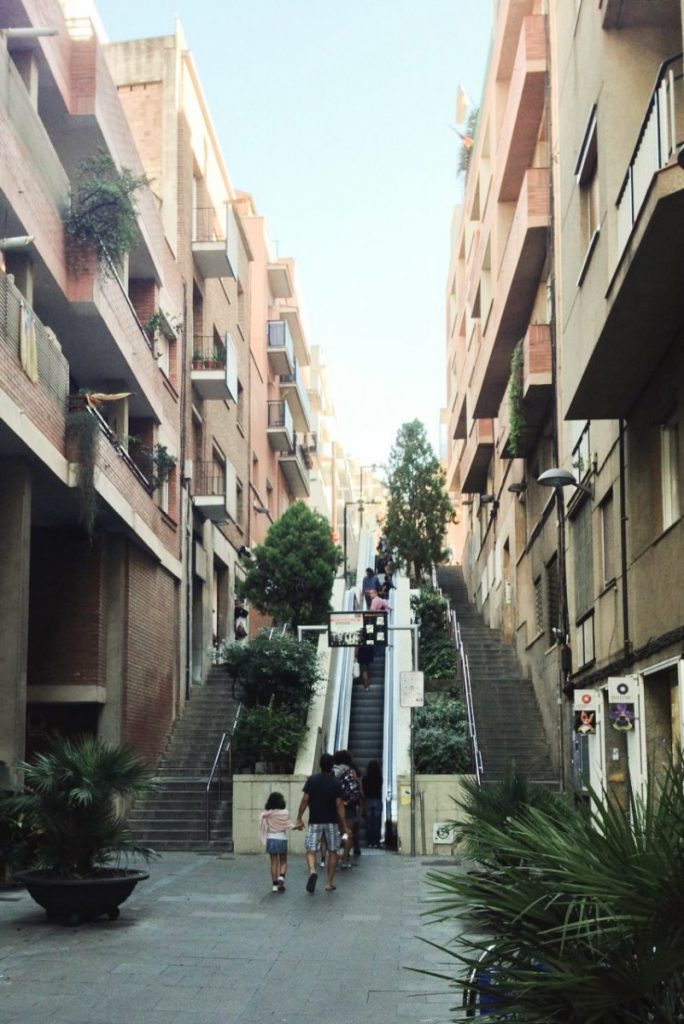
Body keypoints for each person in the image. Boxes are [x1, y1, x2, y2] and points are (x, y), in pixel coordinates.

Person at [296, 752, 347, 894]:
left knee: (311, 849)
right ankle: (329, 883)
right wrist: (344, 825)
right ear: (332, 766)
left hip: (315, 820)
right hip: (331, 821)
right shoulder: (336, 783)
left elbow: (305, 800)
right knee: (333, 851)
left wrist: (299, 817)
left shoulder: (312, 780)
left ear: (320, 765)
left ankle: (313, 870)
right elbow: (340, 806)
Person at [259, 791, 299, 893]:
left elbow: (264, 826)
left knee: (273, 863)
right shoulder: (285, 812)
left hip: (271, 839)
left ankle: (274, 886)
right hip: (281, 839)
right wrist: (297, 826)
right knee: (283, 861)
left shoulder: (267, 814)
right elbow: (289, 825)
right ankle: (281, 877)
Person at [333, 750, 363, 865]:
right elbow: (357, 792)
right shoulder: (351, 774)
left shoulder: (332, 773)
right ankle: (345, 858)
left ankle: (335, 855)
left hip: (334, 808)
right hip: (349, 809)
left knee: (337, 833)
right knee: (348, 833)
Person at [362, 760, 383, 848]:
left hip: (368, 801)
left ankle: (369, 842)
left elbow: (364, 790)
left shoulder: (365, 778)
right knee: (377, 823)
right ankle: (377, 842)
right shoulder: (380, 778)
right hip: (377, 800)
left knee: (369, 823)